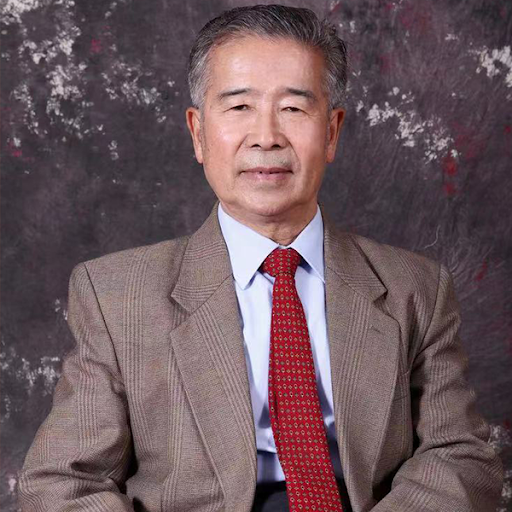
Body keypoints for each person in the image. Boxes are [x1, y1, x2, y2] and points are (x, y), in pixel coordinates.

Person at [18, 4, 503, 512]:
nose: (267, 136)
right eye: (239, 107)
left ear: (331, 132)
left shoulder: (416, 288)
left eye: (293, 108)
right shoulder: (116, 296)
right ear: (199, 133)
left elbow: (460, 454)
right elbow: (61, 483)